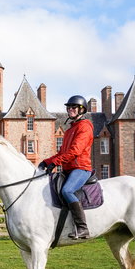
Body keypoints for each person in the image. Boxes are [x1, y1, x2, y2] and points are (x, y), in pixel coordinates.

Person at [38, 95, 94, 239]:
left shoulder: (85, 127)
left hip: (81, 168)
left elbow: (75, 151)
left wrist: (55, 163)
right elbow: (62, 152)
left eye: (73, 107)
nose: (70, 109)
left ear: (82, 109)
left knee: (67, 191)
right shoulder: (69, 130)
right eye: (68, 107)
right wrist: (47, 162)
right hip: (68, 169)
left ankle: (82, 228)